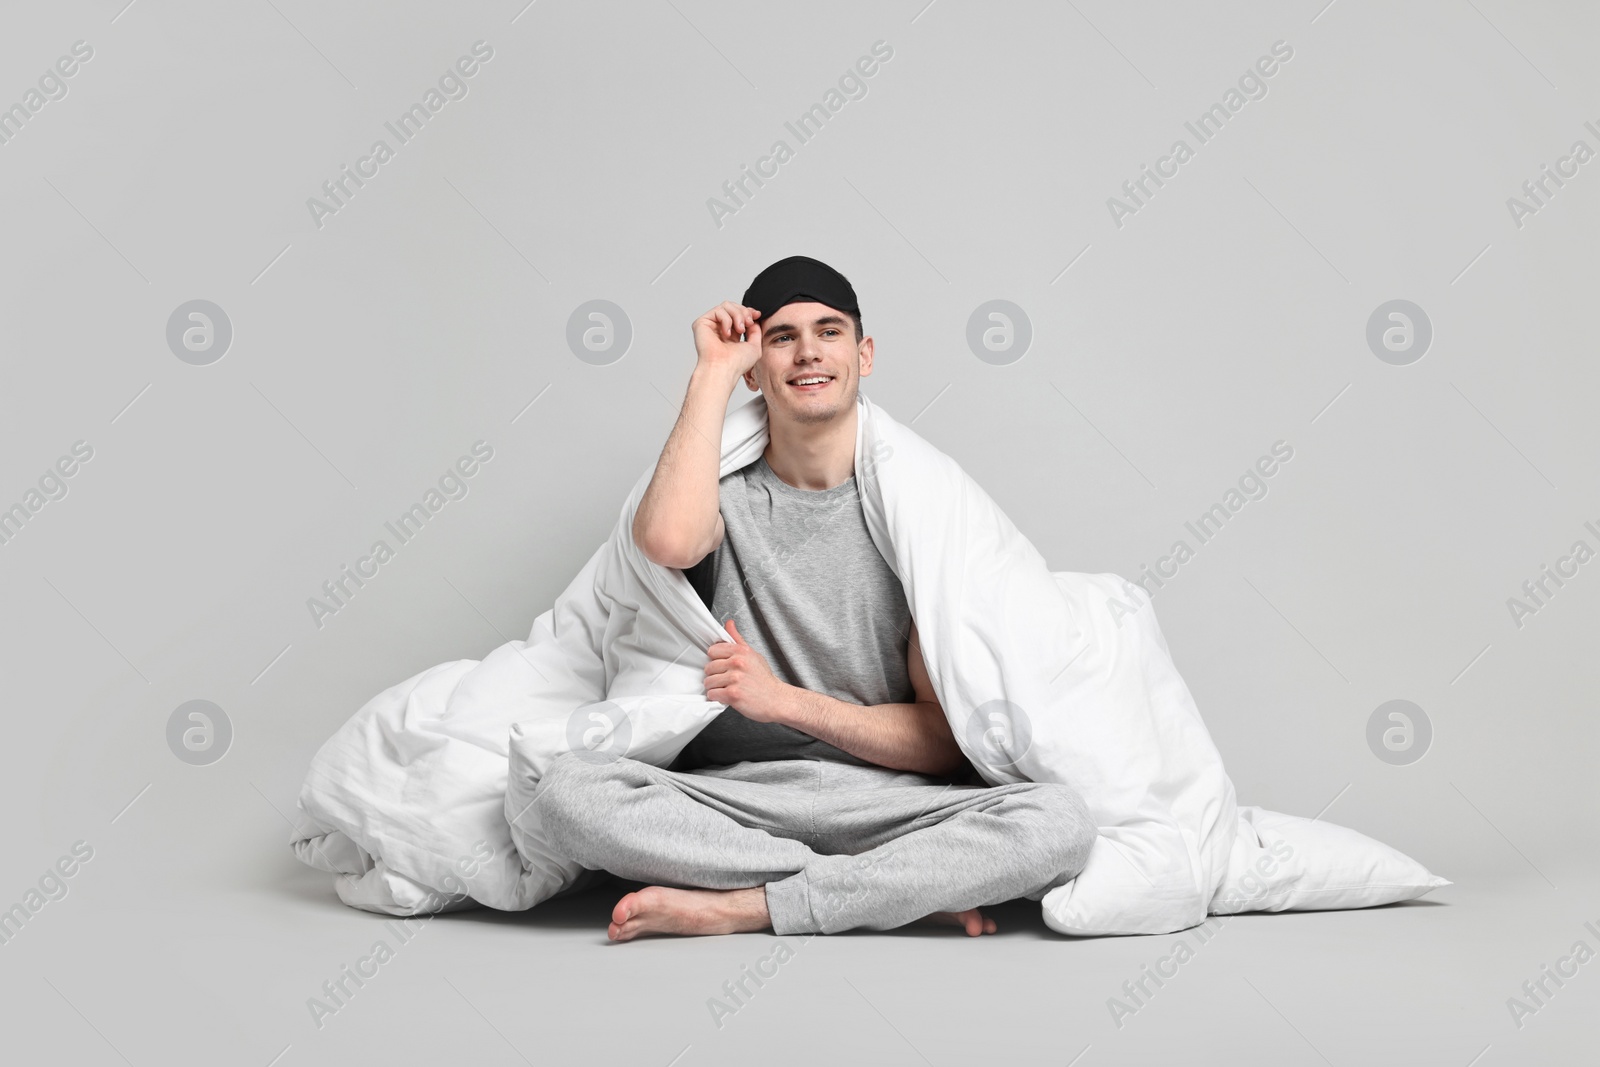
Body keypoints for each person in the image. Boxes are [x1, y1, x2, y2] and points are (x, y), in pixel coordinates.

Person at [534, 256, 1096, 941]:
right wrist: (711, 372)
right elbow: (666, 542)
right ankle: (895, 890)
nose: (808, 352)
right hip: (734, 801)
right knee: (568, 793)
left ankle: (751, 905)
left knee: (1059, 821)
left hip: (886, 804)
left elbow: (943, 743)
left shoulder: (914, 516)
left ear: (863, 354)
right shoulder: (721, 498)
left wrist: (789, 703)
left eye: (829, 332)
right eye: (781, 336)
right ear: (754, 368)